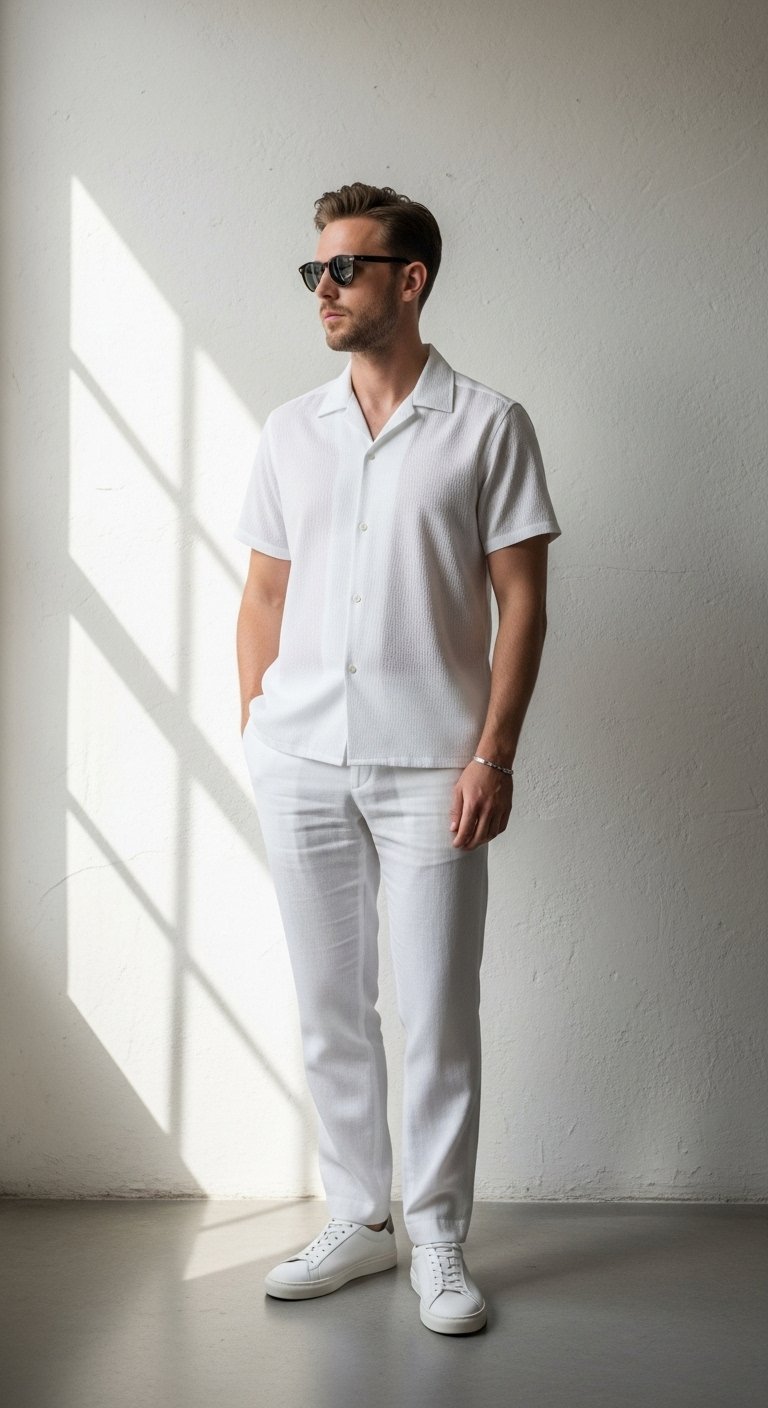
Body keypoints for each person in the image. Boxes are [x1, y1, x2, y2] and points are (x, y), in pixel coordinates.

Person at [234, 182, 562, 1336]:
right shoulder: (290, 430)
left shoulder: (489, 424)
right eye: (315, 270)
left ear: (408, 281)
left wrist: (495, 753)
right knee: (332, 1004)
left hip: (435, 767)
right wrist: (256, 729)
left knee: (434, 1004)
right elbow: (264, 592)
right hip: (301, 758)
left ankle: (436, 1238)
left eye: (346, 270)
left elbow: (520, 601)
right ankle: (360, 1215)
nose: (323, 289)